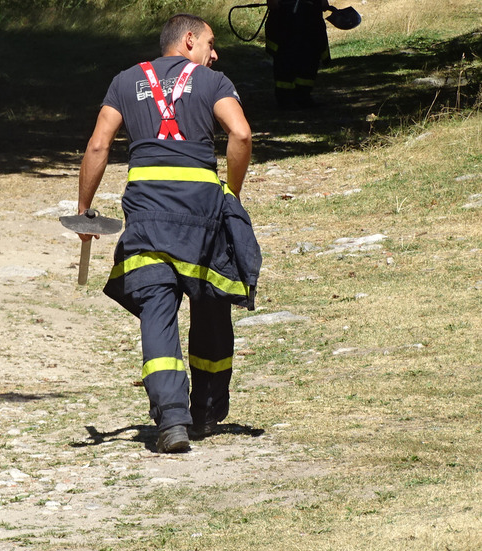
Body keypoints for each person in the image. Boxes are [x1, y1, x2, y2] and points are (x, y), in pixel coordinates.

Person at [76, 13, 260, 453]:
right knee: (211, 300)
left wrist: (84, 211)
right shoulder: (214, 83)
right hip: (201, 214)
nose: (214, 55)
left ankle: (172, 421)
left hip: (147, 214)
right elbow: (241, 133)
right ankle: (205, 411)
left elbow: (99, 144)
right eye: (211, 44)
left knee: (157, 311)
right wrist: (231, 194)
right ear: (189, 40)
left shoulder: (124, 82)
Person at [265, 0, 332, 109]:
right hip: (285, 16)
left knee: (310, 55)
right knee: (286, 56)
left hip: (310, 14)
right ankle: (285, 99)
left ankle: (303, 96)